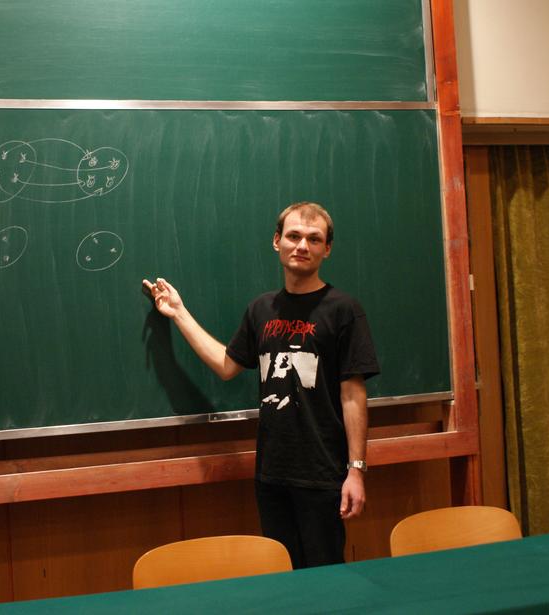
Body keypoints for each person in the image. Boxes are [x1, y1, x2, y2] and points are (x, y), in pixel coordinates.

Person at [142, 201, 379, 568]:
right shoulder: (261, 310)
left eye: (314, 239)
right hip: (271, 473)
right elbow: (226, 366)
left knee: (326, 577)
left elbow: (352, 395)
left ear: (327, 249)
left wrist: (356, 471)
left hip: (322, 473)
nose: (303, 246)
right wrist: (178, 312)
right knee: (281, 574)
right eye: (294, 236)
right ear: (277, 241)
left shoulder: (343, 309)